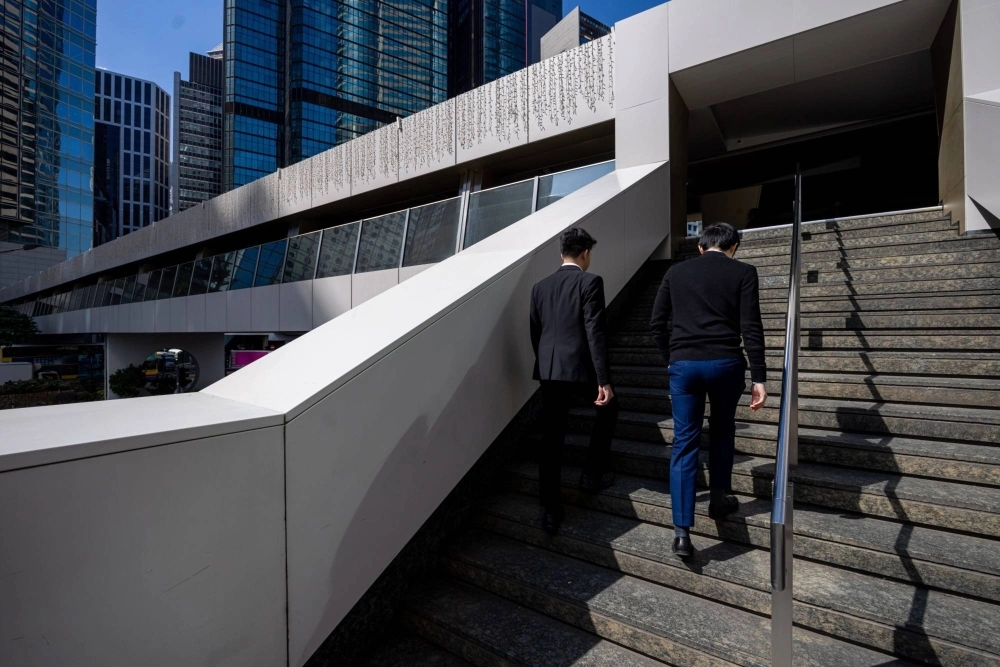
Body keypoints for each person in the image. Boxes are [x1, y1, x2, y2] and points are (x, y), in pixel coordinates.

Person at [649, 222, 768, 559]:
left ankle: (682, 533)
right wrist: (759, 376)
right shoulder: (744, 272)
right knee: (722, 431)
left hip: (684, 366)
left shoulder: (676, 272)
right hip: (726, 364)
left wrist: (671, 358)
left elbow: (657, 323)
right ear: (733, 247)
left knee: (684, 443)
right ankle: (718, 499)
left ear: (701, 247)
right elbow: (751, 326)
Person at [530, 228, 619, 535]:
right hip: (579, 369)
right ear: (585, 254)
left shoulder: (540, 287)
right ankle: (592, 474)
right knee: (609, 408)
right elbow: (595, 331)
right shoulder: (590, 281)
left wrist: (545, 364)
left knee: (552, 438)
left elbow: (536, 331)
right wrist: (603, 380)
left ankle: (550, 511)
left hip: (549, 370)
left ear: (561, 253)